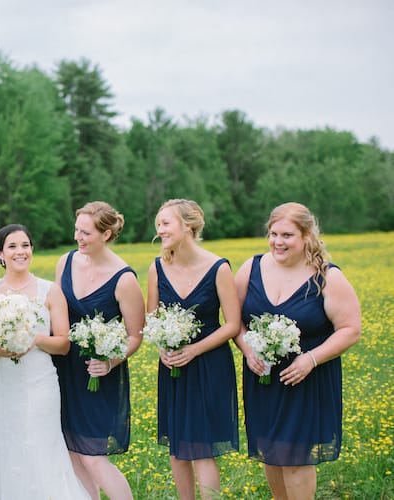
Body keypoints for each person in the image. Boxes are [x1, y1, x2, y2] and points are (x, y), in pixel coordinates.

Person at [234, 202, 361, 500]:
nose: (278, 242)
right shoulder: (251, 268)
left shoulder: (327, 277)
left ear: (306, 236)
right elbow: (234, 321)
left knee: (295, 458)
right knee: (270, 452)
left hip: (306, 380)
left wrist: (311, 359)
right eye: (273, 234)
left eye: (287, 235)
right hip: (263, 379)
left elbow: (350, 329)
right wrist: (248, 350)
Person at [0, 224, 90, 499]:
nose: (20, 252)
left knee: (41, 445)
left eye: (25, 245)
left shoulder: (49, 290)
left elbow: (63, 343)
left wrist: (34, 340)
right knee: (8, 447)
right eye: (12, 246)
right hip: (4, 383)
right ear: (0, 253)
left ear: (32, 249)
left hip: (40, 381)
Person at [146, 199, 241, 499]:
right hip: (173, 365)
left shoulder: (218, 267)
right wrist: (162, 348)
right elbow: (152, 319)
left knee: (202, 449)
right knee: (178, 449)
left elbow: (232, 324)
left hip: (209, 364)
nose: (160, 230)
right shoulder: (157, 268)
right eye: (158, 224)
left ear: (188, 226)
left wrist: (195, 350)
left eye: (166, 223)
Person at [53, 201, 145, 500]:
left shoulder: (124, 278)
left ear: (106, 234)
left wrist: (110, 361)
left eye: (86, 233)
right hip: (63, 369)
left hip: (98, 373)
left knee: (93, 456)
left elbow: (135, 335)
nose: (77, 237)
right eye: (76, 230)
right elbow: (54, 311)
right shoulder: (65, 262)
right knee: (72, 453)